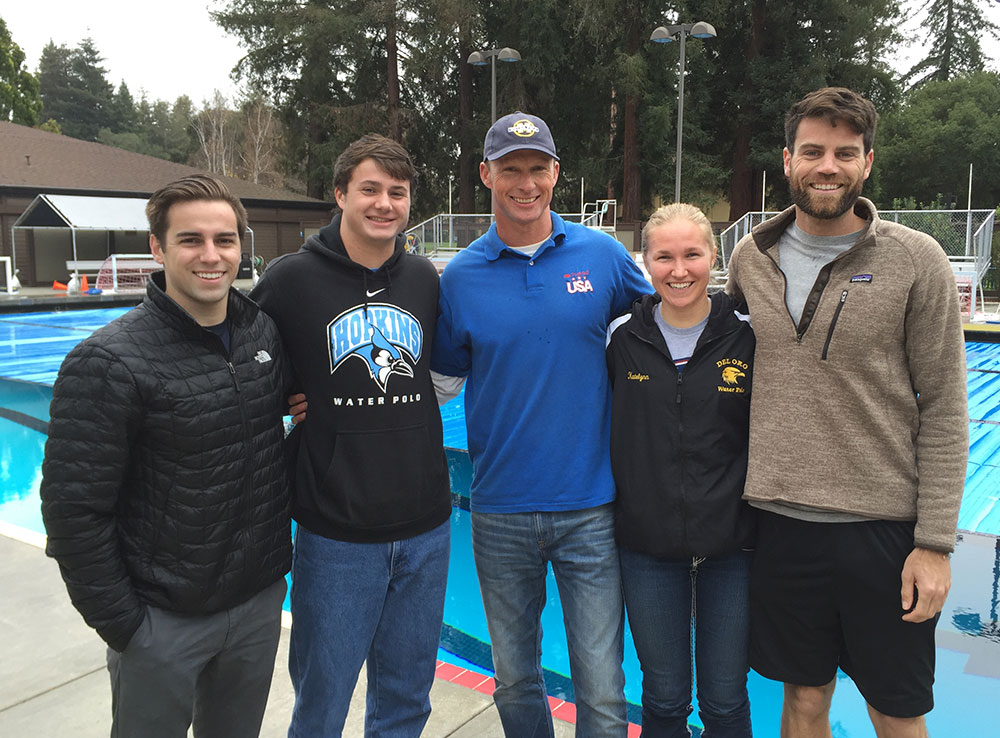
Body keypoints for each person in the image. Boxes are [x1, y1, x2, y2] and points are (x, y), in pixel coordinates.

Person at [726, 87, 968, 738]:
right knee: (803, 703)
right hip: (780, 527)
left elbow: (945, 405)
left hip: (881, 534)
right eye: (812, 151)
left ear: (866, 163)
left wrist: (934, 545)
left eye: (843, 152)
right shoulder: (751, 258)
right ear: (787, 160)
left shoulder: (917, 261)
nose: (825, 165)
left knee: (896, 711)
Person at [40, 174, 292, 738]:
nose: (211, 255)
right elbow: (72, 511)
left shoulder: (262, 335)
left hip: (255, 605)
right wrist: (129, 628)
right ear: (157, 247)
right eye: (191, 240)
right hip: (162, 622)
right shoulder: (107, 361)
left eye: (225, 240)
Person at [431, 111, 651, 738]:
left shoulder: (603, 257)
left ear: (556, 174)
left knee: (603, 687)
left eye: (536, 169)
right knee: (515, 680)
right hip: (499, 511)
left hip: (590, 509)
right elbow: (438, 383)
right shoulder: (462, 277)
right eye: (509, 171)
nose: (524, 184)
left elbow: (666, 330)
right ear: (486, 175)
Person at [251, 133, 452, 738]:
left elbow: (438, 371)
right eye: (370, 189)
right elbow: (242, 361)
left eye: (398, 192)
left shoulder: (423, 278)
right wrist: (286, 395)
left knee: (406, 699)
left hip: (426, 526)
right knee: (322, 701)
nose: (384, 203)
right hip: (336, 534)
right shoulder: (291, 279)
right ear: (340, 194)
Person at [607, 203, 755, 737]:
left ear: (713, 257)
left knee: (724, 702)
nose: (679, 270)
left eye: (692, 254)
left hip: (731, 550)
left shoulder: (747, 336)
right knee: (664, 700)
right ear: (644, 261)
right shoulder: (621, 337)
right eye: (664, 256)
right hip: (647, 548)